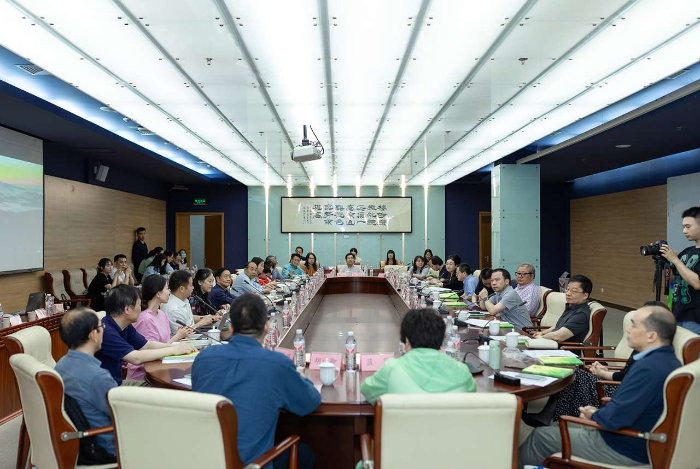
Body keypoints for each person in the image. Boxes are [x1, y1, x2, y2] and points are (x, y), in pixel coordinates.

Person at [519, 304, 681, 468]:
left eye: (634, 326)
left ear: (651, 336)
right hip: (630, 436)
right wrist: (598, 413)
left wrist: (594, 415)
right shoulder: (666, 361)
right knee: (556, 425)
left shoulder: (648, 369)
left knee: (541, 437)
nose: (628, 330)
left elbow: (617, 418)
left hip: (622, 445)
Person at [192, 294, 321, 469]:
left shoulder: (203, 358)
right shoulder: (276, 364)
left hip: (206, 461)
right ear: (267, 326)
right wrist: (301, 377)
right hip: (252, 465)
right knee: (305, 453)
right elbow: (310, 403)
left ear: (231, 327)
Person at [361, 308, 476, 404]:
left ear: (406, 341)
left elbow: (367, 390)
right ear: (441, 339)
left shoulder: (392, 368)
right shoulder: (462, 371)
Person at [95, 285, 195, 385]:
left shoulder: (125, 326)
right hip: (107, 389)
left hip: (116, 383)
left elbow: (146, 345)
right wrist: (173, 350)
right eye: (139, 305)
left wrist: (176, 347)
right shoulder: (106, 331)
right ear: (127, 309)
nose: (141, 309)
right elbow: (136, 358)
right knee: (164, 389)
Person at [55, 308, 118, 459]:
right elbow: (122, 415)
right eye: (102, 326)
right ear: (93, 335)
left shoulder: (60, 365)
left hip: (78, 442)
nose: (104, 330)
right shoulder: (98, 377)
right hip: (108, 447)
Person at [127, 276, 195, 381]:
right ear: (158, 294)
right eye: (167, 288)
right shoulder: (145, 319)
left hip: (163, 365)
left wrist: (179, 342)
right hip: (145, 374)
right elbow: (151, 352)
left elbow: (164, 344)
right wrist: (177, 337)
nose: (169, 292)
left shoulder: (161, 314)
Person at [661, 206, 700, 334]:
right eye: (683, 227)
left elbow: (697, 283)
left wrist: (676, 260)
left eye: (688, 227)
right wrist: (665, 262)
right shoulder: (686, 251)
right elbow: (673, 279)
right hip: (677, 314)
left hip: (695, 319)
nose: (684, 231)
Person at [532, 275, 592, 345]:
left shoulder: (581, 315)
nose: (568, 293)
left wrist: (541, 337)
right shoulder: (571, 306)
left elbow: (557, 337)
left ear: (585, 295)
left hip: (563, 349)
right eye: (567, 289)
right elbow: (558, 326)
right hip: (552, 345)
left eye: (573, 291)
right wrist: (542, 333)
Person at [162, 270, 219, 335]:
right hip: (185, 339)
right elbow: (182, 335)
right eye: (191, 285)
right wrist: (201, 323)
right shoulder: (173, 309)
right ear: (182, 289)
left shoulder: (184, 300)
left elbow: (189, 319)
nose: (193, 288)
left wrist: (207, 319)